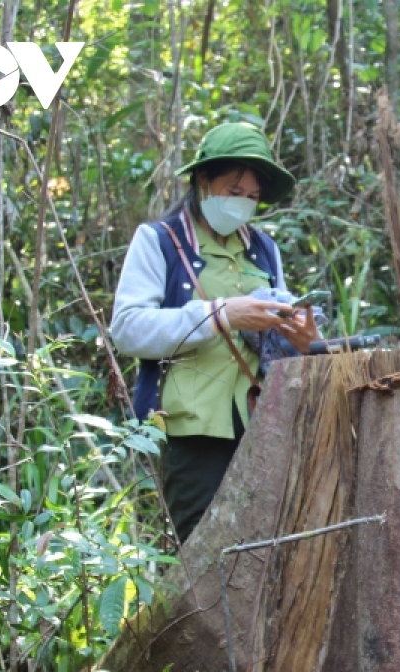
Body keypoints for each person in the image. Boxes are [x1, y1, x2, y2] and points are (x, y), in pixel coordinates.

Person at [111, 122, 320, 542]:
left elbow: (281, 344)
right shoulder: (160, 241)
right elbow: (128, 330)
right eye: (233, 191)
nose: (242, 203)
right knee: (202, 553)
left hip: (262, 422)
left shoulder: (264, 249)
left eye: (252, 197)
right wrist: (223, 313)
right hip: (192, 428)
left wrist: (303, 340)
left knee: (267, 548)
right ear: (203, 181)